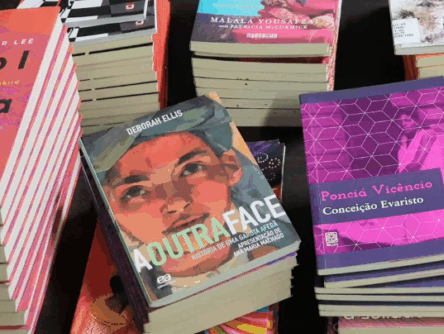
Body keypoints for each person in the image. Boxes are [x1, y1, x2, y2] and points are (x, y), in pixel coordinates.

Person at [90, 98, 297, 293]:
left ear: (230, 168)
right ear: (111, 212)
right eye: (135, 191)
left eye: (191, 169)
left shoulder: (280, 251)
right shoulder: (122, 296)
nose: (177, 202)